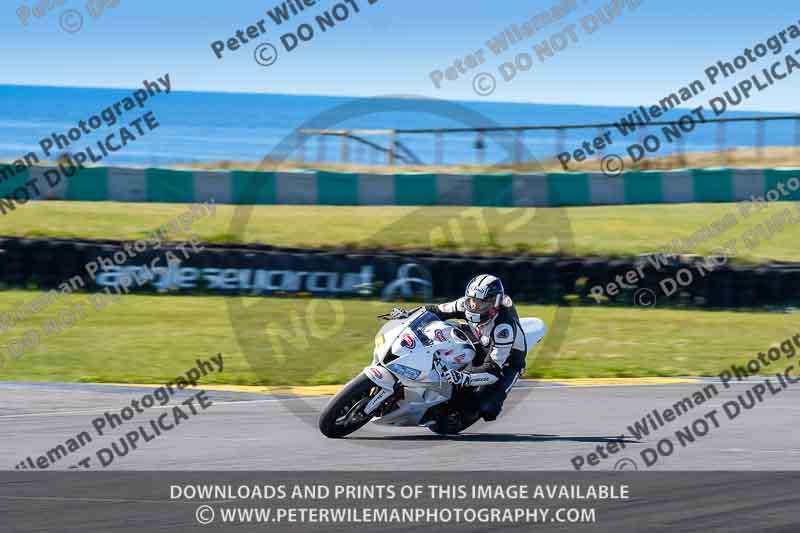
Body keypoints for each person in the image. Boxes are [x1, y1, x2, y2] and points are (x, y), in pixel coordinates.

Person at [390, 274, 537, 423]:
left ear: (494, 303)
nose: (474, 306)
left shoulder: (503, 328)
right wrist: (409, 314)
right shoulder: (465, 304)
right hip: (478, 336)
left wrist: (465, 377)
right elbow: (435, 310)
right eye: (472, 300)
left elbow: (492, 369)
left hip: (506, 361)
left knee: (488, 409)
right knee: (442, 330)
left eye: (481, 303)